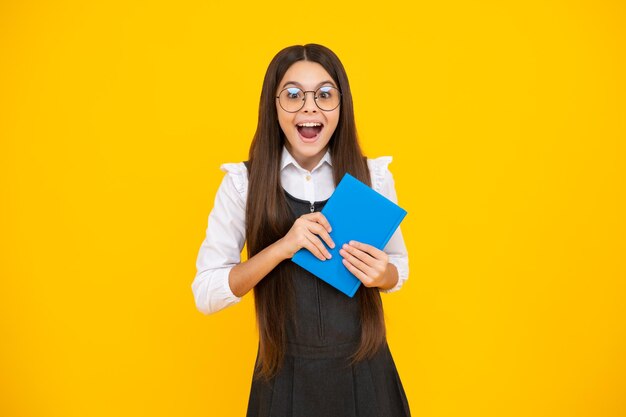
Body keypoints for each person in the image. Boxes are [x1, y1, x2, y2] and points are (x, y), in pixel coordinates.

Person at [192, 43, 411, 417]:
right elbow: (206, 294)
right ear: (273, 105)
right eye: (293, 95)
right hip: (284, 379)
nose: (309, 106)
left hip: (367, 379)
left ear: (341, 105)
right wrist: (283, 247)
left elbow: (399, 267)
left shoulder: (372, 177)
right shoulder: (243, 183)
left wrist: (384, 274)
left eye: (325, 94)